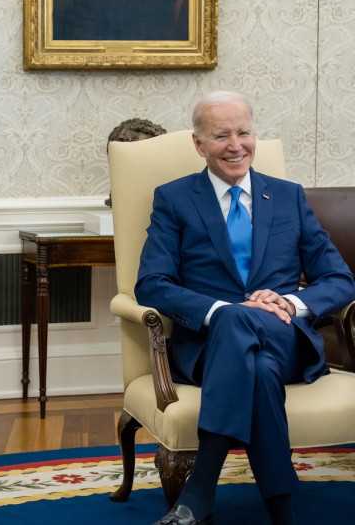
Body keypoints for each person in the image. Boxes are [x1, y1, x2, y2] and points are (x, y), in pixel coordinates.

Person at [136, 91, 355, 525]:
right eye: (221, 136)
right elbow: (151, 283)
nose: (236, 145)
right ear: (199, 144)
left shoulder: (288, 197)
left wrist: (291, 303)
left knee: (248, 334)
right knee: (256, 366)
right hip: (208, 346)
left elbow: (339, 279)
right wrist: (220, 310)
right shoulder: (175, 199)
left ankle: (200, 491)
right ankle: (281, 506)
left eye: (244, 133)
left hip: (285, 338)